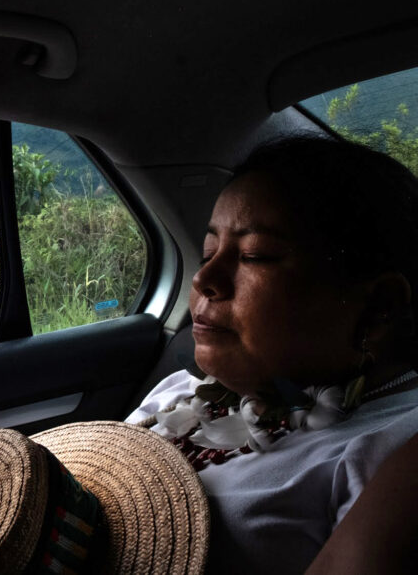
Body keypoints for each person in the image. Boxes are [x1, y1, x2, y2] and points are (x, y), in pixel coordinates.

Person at [126, 135, 418, 574]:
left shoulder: (386, 456)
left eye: (255, 256)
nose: (203, 278)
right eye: (208, 252)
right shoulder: (179, 389)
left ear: (379, 306)